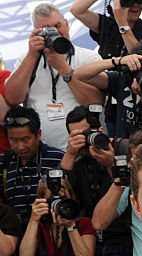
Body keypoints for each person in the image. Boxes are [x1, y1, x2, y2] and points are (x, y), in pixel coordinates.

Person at [3, 4, 103, 150]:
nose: (54, 32)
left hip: (83, 148)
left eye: (58, 25)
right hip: (41, 152)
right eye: (46, 29)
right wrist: (32, 55)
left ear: (67, 25)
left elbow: (96, 102)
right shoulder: (27, 59)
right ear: (36, 33)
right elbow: (13, 98)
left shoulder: (88, 57)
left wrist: (64, 69)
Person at [20, 177, 95, 256]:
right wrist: (34, 220)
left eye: (62, 200)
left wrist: (71, 226)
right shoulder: (39, 228)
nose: (57, 205)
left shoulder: (83, 224)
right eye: (52, 200)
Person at [0, 107, 65, 225]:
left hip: (50, 230)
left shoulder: (58, 159)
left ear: (38, 134)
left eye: (26, 139)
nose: (20, 147)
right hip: (13, 234)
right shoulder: (3, 162)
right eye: (13, 140)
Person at [70, 0, 142, 60]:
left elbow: (141, 57)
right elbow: (76, 10)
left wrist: (122, 23)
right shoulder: (108, 25)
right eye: (129, 1)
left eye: (139, 1)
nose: (135, 5)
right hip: (110, 86)